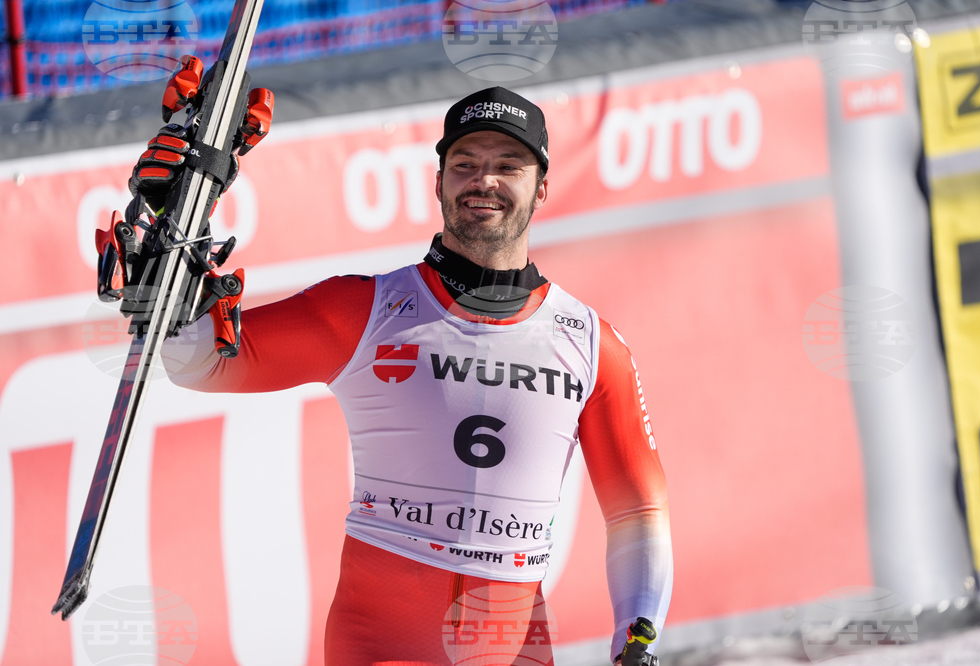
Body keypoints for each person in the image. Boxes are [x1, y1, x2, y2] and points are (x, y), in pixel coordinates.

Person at [138, 86, 672, 665]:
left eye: (507, 166)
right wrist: (168, 227)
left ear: (541, 187)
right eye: (464, 164)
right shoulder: (364, 309)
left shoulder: (591, 343)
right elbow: (193, 360)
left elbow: (637, 509)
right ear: (438, 182)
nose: (483, 181)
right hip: (383, 645)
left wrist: (637, 637)